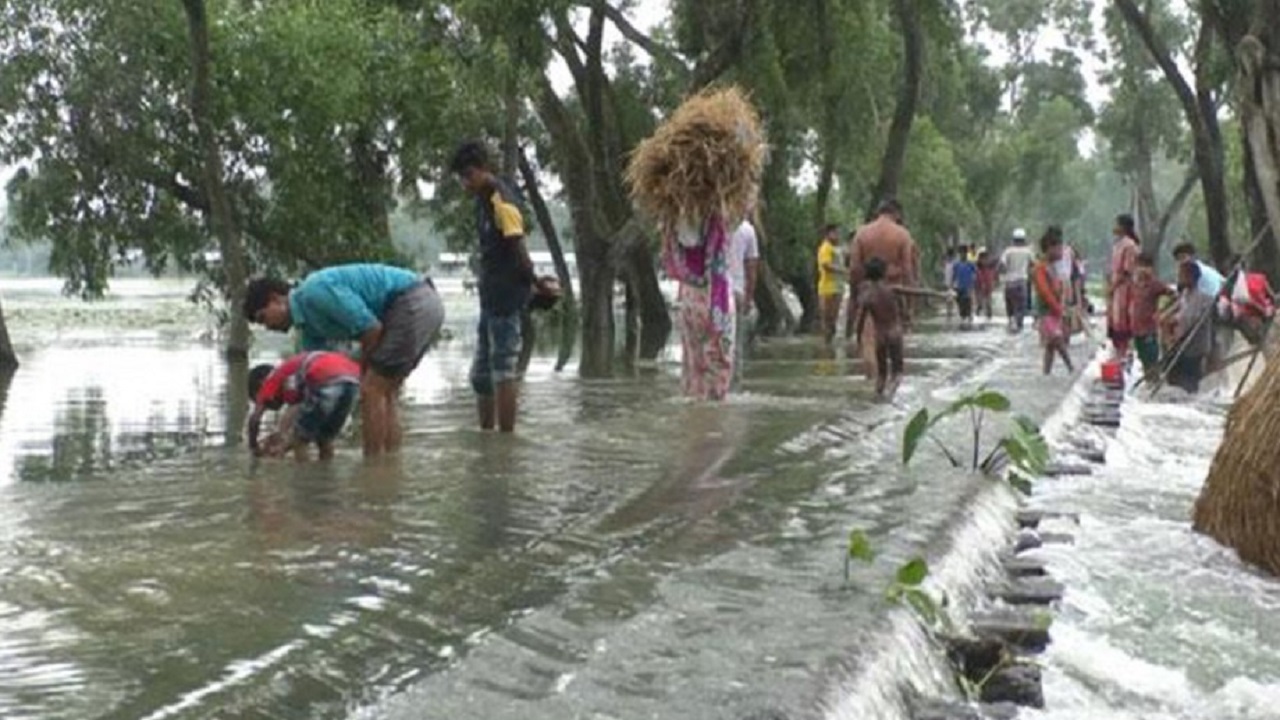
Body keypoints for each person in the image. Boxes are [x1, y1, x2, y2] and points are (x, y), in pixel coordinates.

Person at [244, 264, 444, 457]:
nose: (267, 327)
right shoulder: (308, 330)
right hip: (421, 304)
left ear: (276, 299)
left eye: (263, 318)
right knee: (385, 393)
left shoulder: (314, 292)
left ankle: (373, 469)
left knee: (372, 390)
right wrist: (282, 433)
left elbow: (371, 330)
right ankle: (390, 465)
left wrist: (364, 372)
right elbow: (310, 388)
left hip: (411, 300)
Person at [451, 141, 555, 432]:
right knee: (481, 376)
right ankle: (487, 435)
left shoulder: (503, 201)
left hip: (507, 297)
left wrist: (535, 282)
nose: (466, 183)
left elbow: (518, 247)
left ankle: (506, 440)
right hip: (491, 297)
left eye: (469, 175)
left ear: (484, 168)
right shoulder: (482, 201)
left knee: (503, 370)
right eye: (462, 178)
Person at [246, 351, 361, 461]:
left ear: (261, 383)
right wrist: (282, 434)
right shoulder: (292, 376)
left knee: (300, 440)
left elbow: (254, 419)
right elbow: (295, 408)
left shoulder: (272, 380)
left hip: (324, 375)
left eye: (265, 404)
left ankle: (303, 473)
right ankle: (326, 469)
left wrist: (254, 447)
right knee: (325, 438)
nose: (270, 407)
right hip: (352, 378)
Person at [849, 199, 920, 329]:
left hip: (868, 295)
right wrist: (910, 307)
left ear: (878, 212)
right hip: (893, 294)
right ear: (897, 214)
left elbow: (854, 269)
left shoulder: (861, 234)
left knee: (866, 334)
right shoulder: (902, 235)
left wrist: (854, 299)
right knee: (893, 335)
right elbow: (907, 271)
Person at [855, 258, 905, 398]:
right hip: (895, 333)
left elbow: (860, 321)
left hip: (880, 336)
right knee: (897, 372)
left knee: (881, 374)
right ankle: (891, 395)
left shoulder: (867, 296)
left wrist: (858, 340)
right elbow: (918, 292)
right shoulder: (892, 289)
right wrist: (941, 295)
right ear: (884, 272)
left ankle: (878, 398)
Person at [1032, 228, 1075, 376]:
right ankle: (1071, 368)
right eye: (1058, 248)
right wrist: (1058, 309)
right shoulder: (1040, 268)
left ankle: (1046, 374)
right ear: (1049, 248)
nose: (1061, 252)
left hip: (1054, 311)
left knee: (1050, 345)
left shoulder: (1053, 267)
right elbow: (1045, 292)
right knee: (1057, 339)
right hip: (1046, 313)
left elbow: (1058, 290)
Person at [1168, 261, 1216, 393]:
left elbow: (1191, 319)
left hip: (1194, 348)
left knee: (1189, 383)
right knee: (1173, 379)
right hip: (1181, 346)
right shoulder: (1184, 296)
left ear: (1191, 277)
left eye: (1181, 275)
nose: (1179, 278)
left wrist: (1176, 321)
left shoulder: (1204, 299)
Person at [1130, 254, 1176, 381]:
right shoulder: (1134, 284)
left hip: (1149, 328)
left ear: (1151, 268)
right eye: (1139, 266)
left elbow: (1174, 295)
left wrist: (1163, 311)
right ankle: (1148, 380)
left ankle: (1154, 380)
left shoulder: (1155, 284)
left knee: (1151, 357)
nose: (1141, 270)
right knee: (1142, 357)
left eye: (1145, 266)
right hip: (1136, 328)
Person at [729, 216, 760, 390]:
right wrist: (749, 298)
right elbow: (752, 269)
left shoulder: (709, 224)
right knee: (735, 347)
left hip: (712, 292)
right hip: (737, 291)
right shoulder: (748, 229)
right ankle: (733, 388)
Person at [1107, 214, 1141, 360]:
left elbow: (1127, 271)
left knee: (1123, 323)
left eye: (1117, 224)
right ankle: (1119, 354)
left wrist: (1113, 286)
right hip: (1116, 288)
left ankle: (1125, 355)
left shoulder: (1129, 246)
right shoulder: (1117, 245)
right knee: (1115, 324)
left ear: (1123, 227)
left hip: (1124, 289)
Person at [999, 228, 1035, 332]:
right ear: (1024, 239)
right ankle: (1018, 325)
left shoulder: (1008, 251)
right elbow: (1033, 265)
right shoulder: (1028, 251)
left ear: (1013, 239)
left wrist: (1006, 271)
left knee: (1010, 305)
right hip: (1022, 282)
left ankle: (1011, 321)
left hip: (1009, 283)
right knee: (1021, 307)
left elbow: (1002, 266)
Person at [816, 223, 843, 346]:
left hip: (837, 286)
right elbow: (826, 265)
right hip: (827, 287)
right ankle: (826, 344)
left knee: (833, 319)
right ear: (828, 234)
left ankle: (829, 343)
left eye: (838, 233)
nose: (838, 236)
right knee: (828, 318)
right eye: (835, 233)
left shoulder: (835, 248)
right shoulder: (825, 248)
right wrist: (844, 271)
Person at [952, 245, 978, 328]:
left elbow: (976, 273)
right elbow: (954, 276)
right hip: (959, 288)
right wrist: (952, 286)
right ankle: (963, 320)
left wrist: (974, 282)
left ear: (966, 253)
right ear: (959, 254)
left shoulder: (970, 264)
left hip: (968, 287)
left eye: (964, 253)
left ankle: (969, 319)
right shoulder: (956, 264)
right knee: (961, 305)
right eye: (961, 253)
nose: (963, 254)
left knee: (968, 303)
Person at [976, 249, 997, 322]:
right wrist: (981, 284)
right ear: (980, 259)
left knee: (988, 303)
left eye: (986, 259)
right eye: (983, 259)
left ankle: (989, 315)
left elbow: (993, 276)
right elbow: (977, 277)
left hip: (988, 287)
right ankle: (978, 313)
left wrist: (994, 282)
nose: (984, 261)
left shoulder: (990, 268)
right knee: (980, 303)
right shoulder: (978, 269)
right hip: (980, 288)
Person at [941, 247, 957, 322]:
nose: (947, 257)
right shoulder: (947, 263)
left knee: (950, 299)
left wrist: (952, 283)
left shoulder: (954, 264)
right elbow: (946, 274)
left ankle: (950, 313)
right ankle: (949, 312)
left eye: (948, 255)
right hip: (947, 284)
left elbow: (954, 274)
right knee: (948, 299)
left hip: (952, 284)